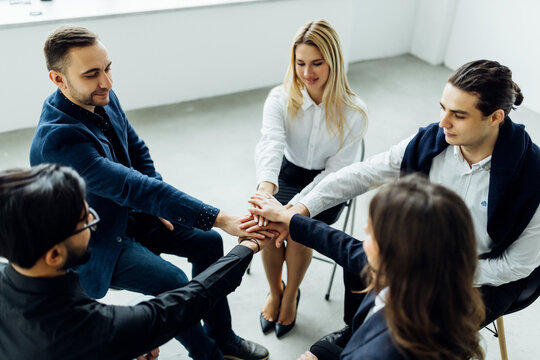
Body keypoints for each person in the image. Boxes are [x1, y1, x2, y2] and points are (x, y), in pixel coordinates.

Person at [244, 59, 540, 345]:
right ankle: (355, 332)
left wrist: (434, 273)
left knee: (411, 334)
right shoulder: (430, 142)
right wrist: (300, 209)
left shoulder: (533, 176)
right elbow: (363, 173)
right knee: (360, 270)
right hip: (416, 255)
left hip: (481, 277)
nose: (443, 122)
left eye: (459, 115)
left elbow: (517, 266)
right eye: (443, 108)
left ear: (495, 117)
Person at [29, 26, 268, 360]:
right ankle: (207, 354)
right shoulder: (59, 140)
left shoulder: (103, 97)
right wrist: (220, 217)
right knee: (172, 281)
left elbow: (138, 153)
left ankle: (222, 336)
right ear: (58, 79)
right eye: (92, 74)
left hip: (132, 214)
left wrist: (160, 207)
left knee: (209, 243)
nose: (106, 82)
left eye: (108, 68)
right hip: (96, 240)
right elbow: (131, 186)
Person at [0, 164, 271, 360]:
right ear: (54, 255)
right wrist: (249, 246)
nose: (93, 224)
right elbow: (187, 301)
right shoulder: (93, 329)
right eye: (86, 221)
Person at [249, 175, 485, 360]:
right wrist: (289, 218)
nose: (363, 234)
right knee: (322, 347)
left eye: (371, 232)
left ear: (397, 253)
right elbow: (343, 246)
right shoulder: (432, 278)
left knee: (318, 350)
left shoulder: (381, 351)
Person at [252, 19, 367, 338]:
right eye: (300, 63)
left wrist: (295, 208)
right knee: (267, 221)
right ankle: (276, 291)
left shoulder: (354, 111)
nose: (307, 72)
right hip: (287, 173)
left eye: (317, 63)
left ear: (334, 62)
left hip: (330, 184)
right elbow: (272, 143)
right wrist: (266, 190)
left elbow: (337, 172)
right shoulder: (279, 98)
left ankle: (291, 296)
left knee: (297, 229)